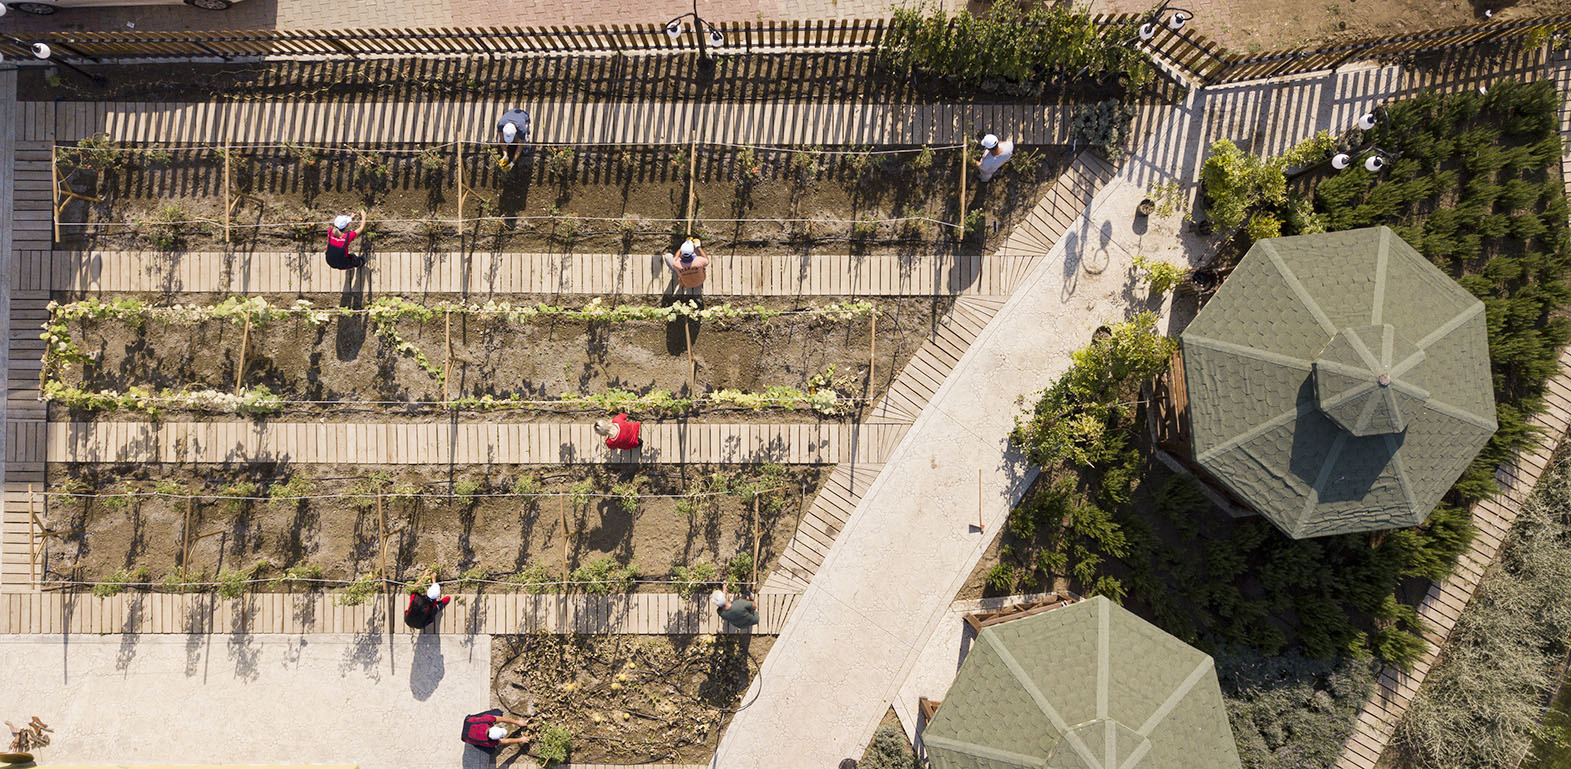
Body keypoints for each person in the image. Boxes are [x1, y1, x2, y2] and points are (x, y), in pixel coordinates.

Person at [460, 709, 530, 754]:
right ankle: (475, 744)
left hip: (468, 721)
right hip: (465, 737)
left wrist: (517, 722)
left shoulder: (486, 720)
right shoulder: (489, 743)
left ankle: (475, 742)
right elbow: (505, 741)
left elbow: (502, 719)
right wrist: (520, 739)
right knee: (491, 751)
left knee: (498, 712)